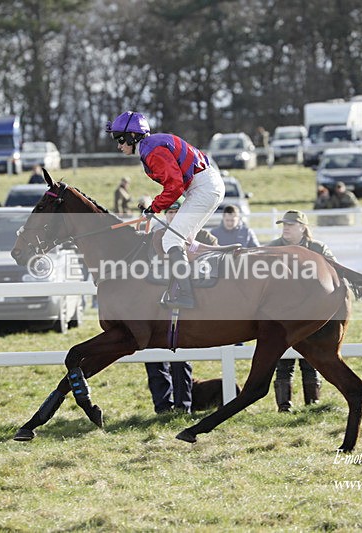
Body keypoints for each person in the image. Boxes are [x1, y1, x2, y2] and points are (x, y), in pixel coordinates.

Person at [105, 110, 225, 309]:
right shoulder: (150, 146)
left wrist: (154, 207)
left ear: (132, 135)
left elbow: (174, 186)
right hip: (205, 186)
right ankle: (195, 283)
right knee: (183, 241)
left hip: (203, 188)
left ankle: (186, 294)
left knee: (171, 239)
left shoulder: (151, 150)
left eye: (120, 139)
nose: (118, 145)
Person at [145, 201, 216, 414]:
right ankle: (162, 406)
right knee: (154, 357)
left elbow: (211, 263)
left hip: (187, 305)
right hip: (158, 304)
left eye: (177, 212)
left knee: (180, 357)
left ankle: (183, 406)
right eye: (170, 213)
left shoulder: (202, 236)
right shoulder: (155, 238)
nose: (173, 216)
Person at [266, 210, 335, 411]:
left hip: (311, 314)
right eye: (284, 224)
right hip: (281, 315)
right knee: (282, 362)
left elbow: (335, 273)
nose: (285, 228)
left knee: (311, 360)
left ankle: (313, 404)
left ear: (303, 228)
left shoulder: (317, 248)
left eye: (290, 224)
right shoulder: (273, 248)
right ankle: (283, 407)